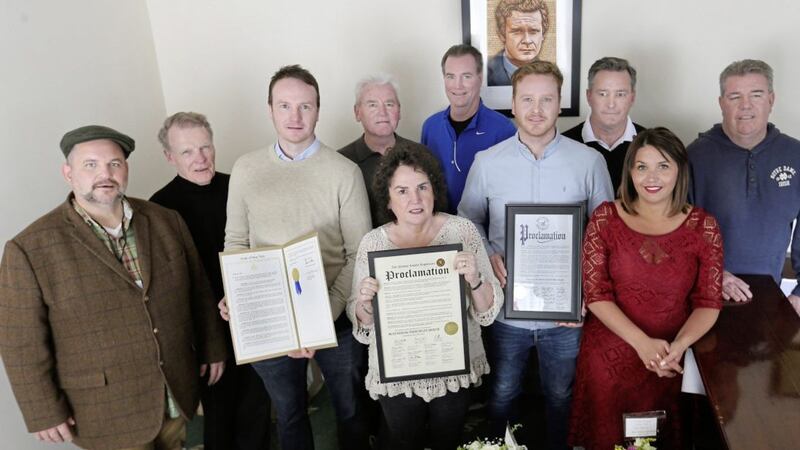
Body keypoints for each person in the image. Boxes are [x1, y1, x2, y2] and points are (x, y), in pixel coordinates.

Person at [0, 125, 228, 449]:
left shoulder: (166, 220)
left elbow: (198, 292)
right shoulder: (29, 248)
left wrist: (212, 348)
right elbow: (20, 342)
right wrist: (42, 410)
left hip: (174, 394)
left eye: (114, 164)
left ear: (126, 169)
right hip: (105, 411)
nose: (104, 174)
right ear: (68, 173)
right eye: (90, 165)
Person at [459, 60, 613, 449]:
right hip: (506, 309)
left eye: (547, 99)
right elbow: (467, 221)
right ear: (512, 103)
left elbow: (606, 234)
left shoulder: (589, 162)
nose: (537, 109)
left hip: (566, 314)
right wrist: (488, 253)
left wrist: (587, 295)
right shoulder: (488, 163)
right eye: (527, 98)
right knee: (503, 393)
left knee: (561, 395)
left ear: (561, 103)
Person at [222, 65, 372, 450]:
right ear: (269, 109)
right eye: (285, 105)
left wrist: (324, 315)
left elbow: (359, 252)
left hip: (334, 316)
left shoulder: (344, 172)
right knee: (290, 415)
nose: (295, 116)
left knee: (350, 410)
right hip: (271, 320)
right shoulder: (245, 169)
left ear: (318, 110)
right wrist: (239, 295)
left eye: (305, 106)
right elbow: (236, 241)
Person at [568, 127, 723, 449]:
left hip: (672, 360)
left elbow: (708, 301)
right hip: (610, 358)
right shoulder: (605, 218)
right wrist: (641, 343)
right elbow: (596, 294)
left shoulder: (704, 226)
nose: (651, 177)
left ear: (680, 170)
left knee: (665, 439)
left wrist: (678, 347)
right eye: (642, 166)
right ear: (630, 172)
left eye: (663, 166)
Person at [347, 144, 503, 450]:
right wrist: (365, 303)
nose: (414, 199)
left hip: (452, 364)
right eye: (402, 190)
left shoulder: (463, 232)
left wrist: (475, 279)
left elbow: (487, 311)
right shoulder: (372, 244)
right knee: (404, 442)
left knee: (449, 440)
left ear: (434, 189)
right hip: (397, 371)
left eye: (422, 187)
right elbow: (363, 323)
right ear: (388, 199)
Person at [150, 112, 271, 450]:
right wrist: (206, 344)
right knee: (219, 416)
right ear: (169, 157)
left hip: (253, 316)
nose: (200, 158)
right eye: (187, 151)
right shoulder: (159, 209)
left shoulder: (239, 187)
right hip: (206, 333)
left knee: (257, 406)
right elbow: (169, 290)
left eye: (205, 147)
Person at [687, 59, 800, 316]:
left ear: (771, 99)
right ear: (721, 103)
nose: (745, 105)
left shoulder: (795, 155)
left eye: (756, 95)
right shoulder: (694, 156)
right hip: (703, 294)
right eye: (734, 96)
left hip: (771, 298)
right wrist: (714, 274)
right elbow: (674, 232)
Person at [422, 44, 516, 214]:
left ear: (480, 78)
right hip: (437, 232)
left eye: (466, 76)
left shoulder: (503, 130)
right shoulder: (430, 127)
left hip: (484, 234)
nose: (457, 86)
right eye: (450, 76)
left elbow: (510, 190)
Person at [339, 74, 431, 226]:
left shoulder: (423, 155)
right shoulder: (342, 162)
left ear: (399, 111)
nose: (382, 112)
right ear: (357, 113)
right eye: (372, 105)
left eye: (389, 104)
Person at [562, 57, 646, 192]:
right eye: (602, 94)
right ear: (589, 96)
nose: (611, 104)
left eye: (620, 94)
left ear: (632, 98)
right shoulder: (563, 145)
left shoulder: (652, 144)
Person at [487, 0, 549, 86]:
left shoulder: (549, 75)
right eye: (517, 31)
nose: (527, 41)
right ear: (501, 34)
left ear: (543, 34)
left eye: (533, 31)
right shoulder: (486, 74)